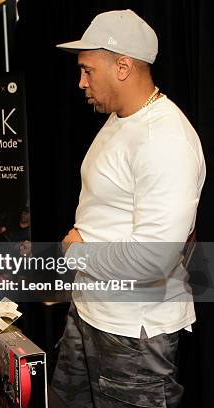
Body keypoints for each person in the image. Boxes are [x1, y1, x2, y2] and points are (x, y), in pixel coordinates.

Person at [52, 10, 205, 407]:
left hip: (132, 334)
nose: (81, 81)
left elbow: (154, 258)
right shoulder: (121, 119)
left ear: (123, 66)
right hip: (90, 312)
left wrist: (77, 253)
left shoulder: (164, 140)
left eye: (88, 70)